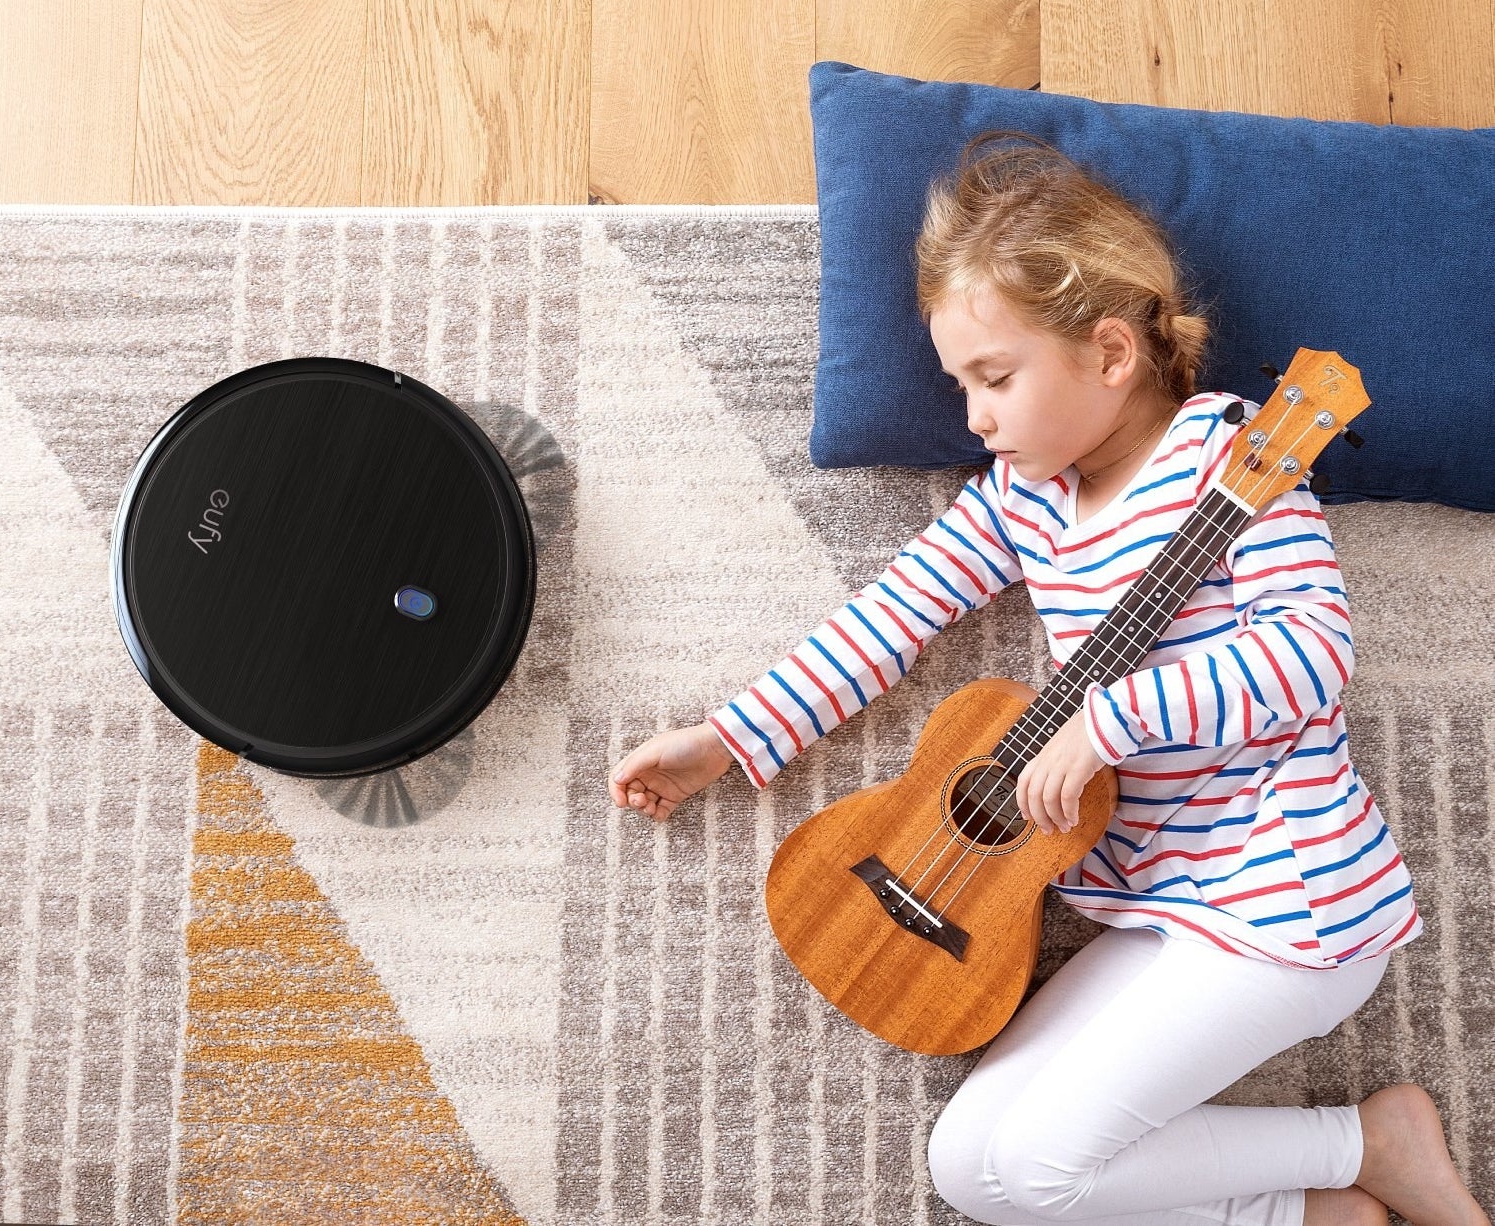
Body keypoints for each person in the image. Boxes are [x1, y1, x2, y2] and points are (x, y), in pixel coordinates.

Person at [605, 132, 1488, 1226]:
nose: (973, 415)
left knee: (1036, 1168)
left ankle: (1362, 1137)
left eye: (994, 377)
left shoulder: (1236, 463)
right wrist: (732, 740)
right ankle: (1334, 1184)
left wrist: (1108, 721)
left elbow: (1313, 652)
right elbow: (893, 614)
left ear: (1111, 354)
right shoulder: (1021, 495)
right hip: (1150, 905)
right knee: (971, 1167)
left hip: (1287, 900)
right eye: (960, 383)